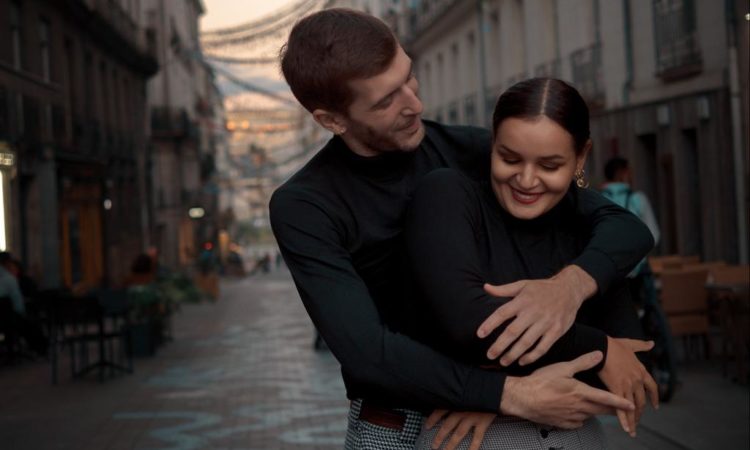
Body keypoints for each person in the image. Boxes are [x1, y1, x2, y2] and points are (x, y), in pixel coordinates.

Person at [270, 9, 653, 449]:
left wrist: (570, 286)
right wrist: (507, 395)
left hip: (512, 418)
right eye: (385, 101)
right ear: (332, 120)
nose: (414, 103)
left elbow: (623, 227)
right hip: (394, 425)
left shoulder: (473, 150)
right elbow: (368, 354)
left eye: (408, 78)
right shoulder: (304, 205)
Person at [405, 79, 658, 450]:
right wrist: (599, 347)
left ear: (581, 156)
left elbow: (630, 370)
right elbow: (466, 328)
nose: (525, 180)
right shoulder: (448, 197)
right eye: (509, 158)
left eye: (550, 165)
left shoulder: (589, 231)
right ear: (492, 143)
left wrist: (502, 398)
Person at [601, 157, 661, 306]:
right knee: (651, 310)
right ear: (622, 173)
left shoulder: (599, 200)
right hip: (638, 269)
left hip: (608, 271)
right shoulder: (638, 199)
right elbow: (653, 234)